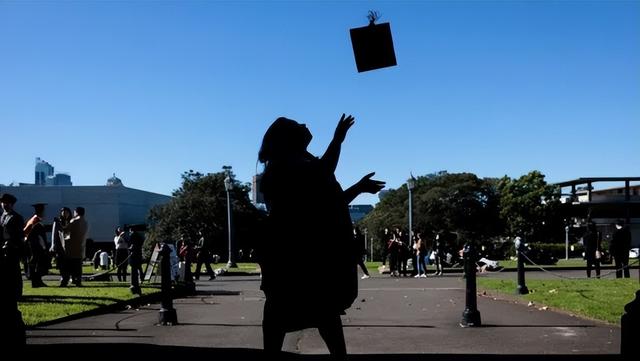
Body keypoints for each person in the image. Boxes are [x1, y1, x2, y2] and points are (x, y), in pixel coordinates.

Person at [257, 114, 384, 359]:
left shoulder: (298, 163)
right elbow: (323, 173)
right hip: (294, 252)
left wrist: (358, 188)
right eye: (298, 125)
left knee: (319, 310)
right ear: (289, 138)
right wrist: (338, 139)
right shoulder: (285, 166)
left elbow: (331, 204)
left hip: (307, 251)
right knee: (299, 308)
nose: (305, 125)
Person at [0, 193, 26, 345]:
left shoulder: (16, 217)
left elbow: (19, 236)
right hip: (3, 251)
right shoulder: (2, 217)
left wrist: (13, 245)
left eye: (7, 202)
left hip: (11, 250)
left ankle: (14, 292)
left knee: (12, 274)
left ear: (12, 204)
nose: (4, 205)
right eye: (3, 202)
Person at [61, 207, 89, 287]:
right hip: (81, 246)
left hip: (71, 247)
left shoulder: (74, 220)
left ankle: (65, 281)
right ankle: (77, 281)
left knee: (68, 266)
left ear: (76, 212)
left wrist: (60, 225)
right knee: (78, 266)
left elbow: (66, 230)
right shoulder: (85, 222)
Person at [23, 203, 49, 287]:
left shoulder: (33, 219)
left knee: (35, 262)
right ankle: (35, 281)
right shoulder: (36, 220)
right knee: (36, 262)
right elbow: (36, 234)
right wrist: (43, 246)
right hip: (34, 245)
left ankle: (37, 280)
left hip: (32, 244)